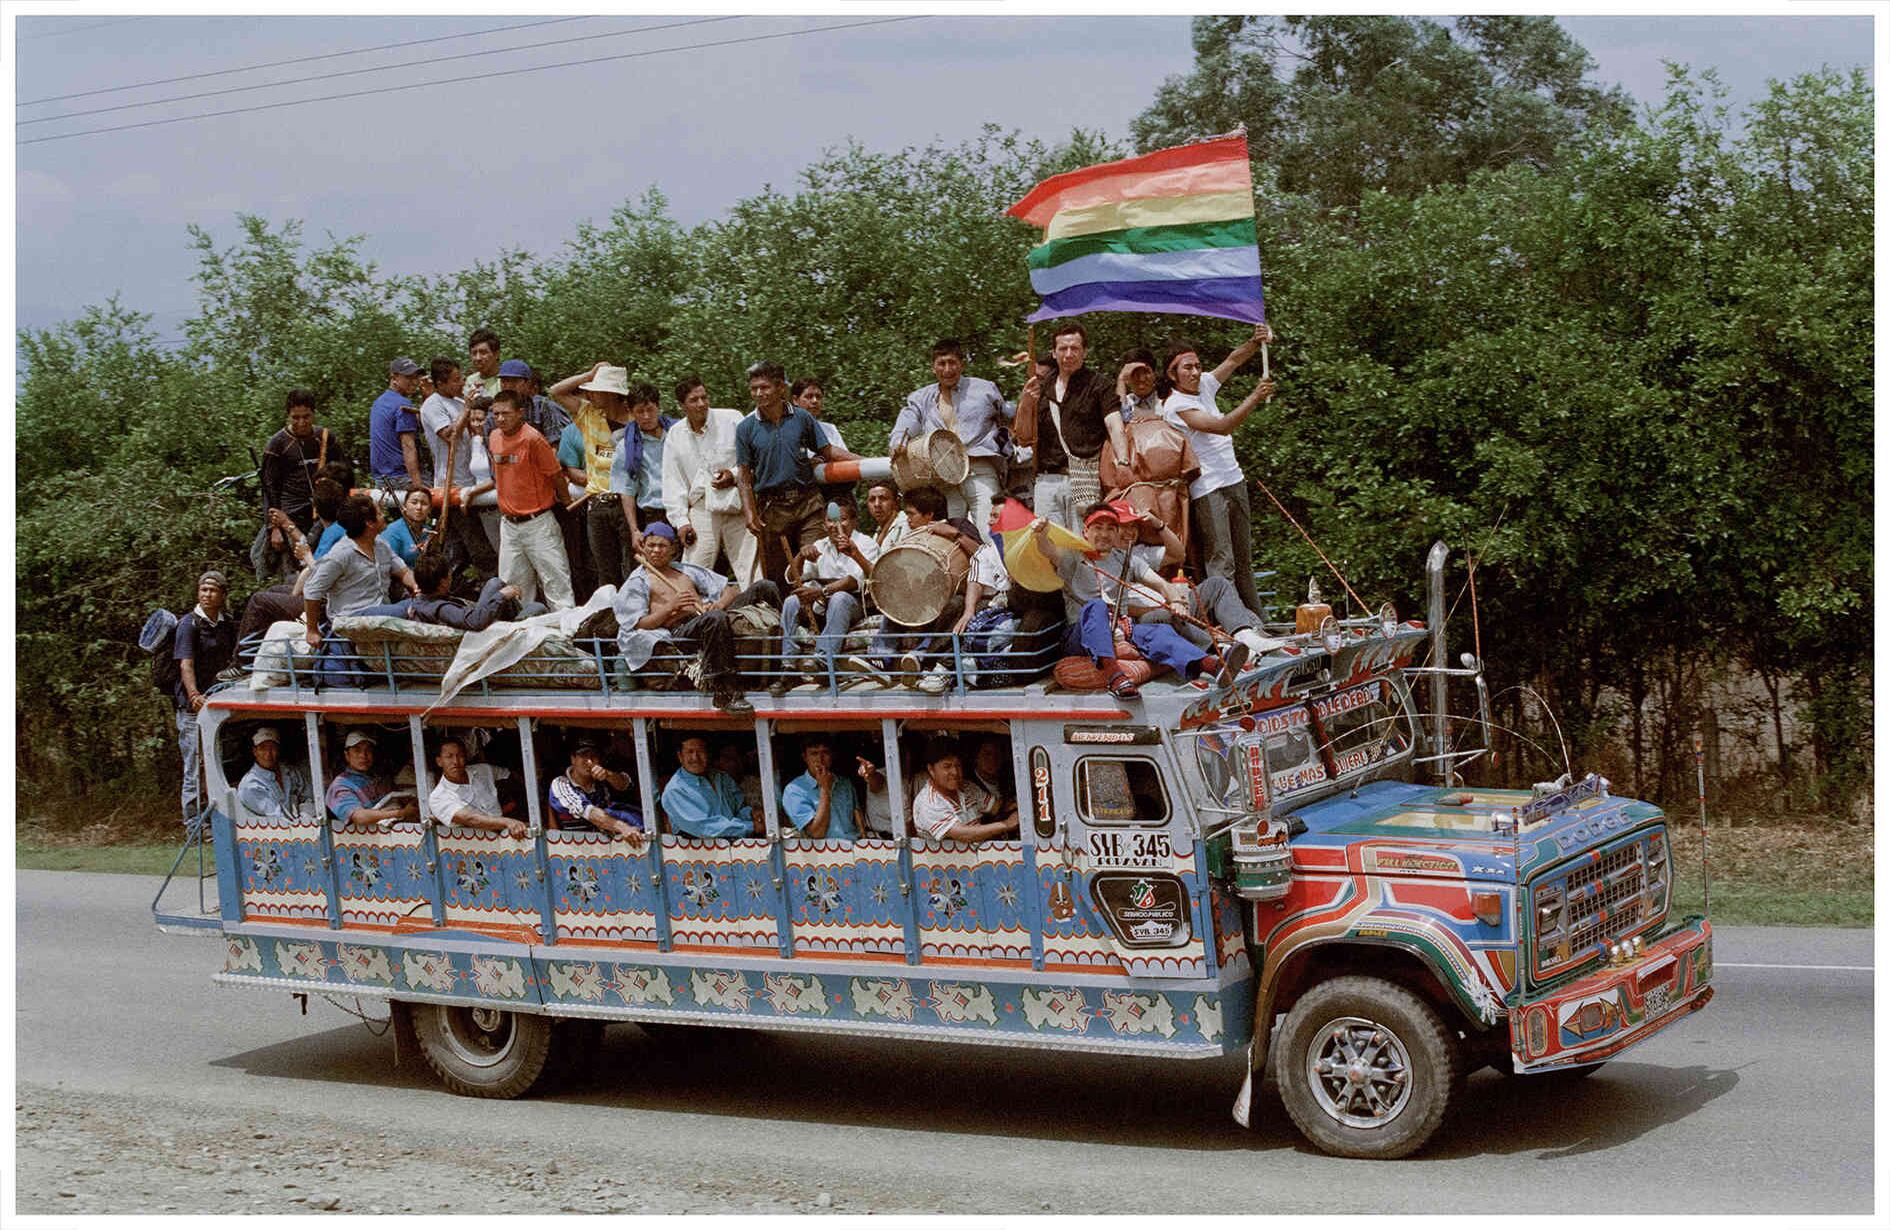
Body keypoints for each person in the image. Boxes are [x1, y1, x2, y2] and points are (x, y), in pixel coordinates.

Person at [1028, 501, 1236, 699]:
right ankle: (1115, 677)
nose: (1104, 534)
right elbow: (1048, 549)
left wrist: (1176, 601)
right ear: (1085, 531)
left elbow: (1162, 584)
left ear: (1116, 533)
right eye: (1098, 528)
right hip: (1081, 635)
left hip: (1122, 630)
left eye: (1111, 529)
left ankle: (1213, 666)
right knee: (1096, 606)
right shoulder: (1073, 558)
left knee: (1158, 631)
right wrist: (1041, 533)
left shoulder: (1126, 559)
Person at [1161, 324, 1277, 615]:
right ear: (1172, 374)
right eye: (1187, 368)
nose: (1195, 372)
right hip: (1209, 488)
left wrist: (1255, 341)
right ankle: (1230, 624)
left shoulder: (1205, 385)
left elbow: (1233, 360)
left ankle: (1257, 620)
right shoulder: (1175, 405)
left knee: (1243, 560)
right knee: (1222, 561)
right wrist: (1255, 397)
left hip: (1234, 480)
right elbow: (1222, 427)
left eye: (1198, 366)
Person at [612, 523, 778, 715]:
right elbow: (639, 624)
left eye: (662, 546)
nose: (656, 551)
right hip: (680, 632)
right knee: (714, 619)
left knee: (765, 587)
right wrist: (670, 607)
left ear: (673, 548)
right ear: (644, 548)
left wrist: (718, 604)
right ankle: (725, 692)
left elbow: (730, 591)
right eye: (651, 546)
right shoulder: (639, 581)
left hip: (708, 618)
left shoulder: (685, 571)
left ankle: (788, 662)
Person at [858, 486, 984, 694]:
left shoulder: (958, 524)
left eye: (911, 514)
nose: (907, 519)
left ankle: (920, 655)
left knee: (953, 605)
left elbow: (983, 554)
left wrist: (955, 534)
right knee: (897, 596)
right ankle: (881, 657)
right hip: (922, 591)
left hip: (955, 592)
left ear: (929, 515)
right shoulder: (911, 534)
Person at [890, 338, 1014, 534]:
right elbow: (908, 421)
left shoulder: (985, 389)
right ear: (933, 367)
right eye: (941, 363)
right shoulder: (920, 397)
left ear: (962, 364)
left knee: (991, 531)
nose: (947, 369)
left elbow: (1008, 420)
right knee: (947, 535)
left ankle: (996, 555)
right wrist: (899, 441)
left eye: (952, 363)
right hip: (944, 478)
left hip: (979, 470)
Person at [736, 360, 841, 587]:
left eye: (764, 387)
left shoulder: (802, 418)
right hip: (772, 510)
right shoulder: (745, 428)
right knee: (779, 577)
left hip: (808, 504)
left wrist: (865, 462)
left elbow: (828, 450)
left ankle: (821, 606)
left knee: (815, 563)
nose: (759, 393)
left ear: (781, 388)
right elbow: (743, 475)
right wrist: (750, 513)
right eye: (754, 389)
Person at [1012, 323, 1119, 531]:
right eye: (1063, 348)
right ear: (1054, 353)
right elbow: (1024, 438)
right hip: (1046, 480)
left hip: (1084, 479)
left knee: (1083, 542)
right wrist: (1026, 403)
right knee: (1048, 543)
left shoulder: (1100, 385)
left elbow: (1114, 425)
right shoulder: (1040, 387)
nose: (1069, 354)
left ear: (1084, 352)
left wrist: (1122, 460)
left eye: (1075, 348)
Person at [549, 362, 642, 592]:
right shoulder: (589, 413)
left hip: (629, 503)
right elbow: (556, 391)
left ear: (611, 394)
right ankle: (608, 610)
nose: (590, 394)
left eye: (596, 390)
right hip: (597, 504)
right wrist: (588, 374)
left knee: (633, 567)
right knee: (605, 570)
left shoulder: (636, 420)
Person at [774, 498, 877, 693]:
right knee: (792, 601)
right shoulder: (820, 545)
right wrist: (801, 556)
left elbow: (854, 581)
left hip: (854, 602)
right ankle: (788, 667)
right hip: (823, 603)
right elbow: (792, 578)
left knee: (840, 598)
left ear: (854, 522)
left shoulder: (865, 543)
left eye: (842, 519)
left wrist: (821, 592)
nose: (836, 525)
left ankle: (823, 660)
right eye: (830, 521)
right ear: (824, 524)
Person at [661, 376, 756, 586]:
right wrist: (681, 522)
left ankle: (759, 605)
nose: (701, 404)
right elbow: (672, 481)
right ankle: (691, 607)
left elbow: (754, 458)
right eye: (694, 400)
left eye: (704, 397)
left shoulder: (732, 419)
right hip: (702, 507)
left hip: (736, 501)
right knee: (693, 571)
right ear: (682, 405)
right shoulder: (676, 435)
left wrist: (733, 474)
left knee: (749, 567)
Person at [486, 389, 575, 609]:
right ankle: (519, 626)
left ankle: (566, 626)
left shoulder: (533, 439)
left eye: (506, 413)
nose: (500, 419)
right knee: (512, 587)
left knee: (556, 583)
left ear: (520, 413)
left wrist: (566, 502)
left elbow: (555, 474)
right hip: (509, 524)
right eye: (496, 414)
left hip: (538, 523)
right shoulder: (494, 437)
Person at [303, 494, 421, 652]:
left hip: (379, 613)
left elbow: (403, 571)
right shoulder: (341, 554)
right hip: (352, 618)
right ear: (369, 523)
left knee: (422, 602)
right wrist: (312, 630)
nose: (383, 516)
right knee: (409, 609)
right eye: (379, 513)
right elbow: (312, 590)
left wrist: (416, 586)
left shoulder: (381, 544)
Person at [417, 357, 497, 578]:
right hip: (451, 486)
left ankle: (458, 584)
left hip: (472, 483)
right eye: (456, 380)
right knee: (476, 546)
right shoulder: (432, 405)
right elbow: (450, 436)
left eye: (461, 378)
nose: (461, 383)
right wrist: (467, 410)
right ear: (440, 383)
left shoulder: (459, 402)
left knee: (463, 547)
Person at [174, 569, 238, 828]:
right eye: (203, 590)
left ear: (223, 595)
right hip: (192, 707)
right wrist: (193, 694)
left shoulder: (226, 624)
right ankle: (194, 823)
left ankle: (219, 820)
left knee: (218, 763)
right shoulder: (188, 625)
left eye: (213, 590)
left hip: (218, 704)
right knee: (194, 765)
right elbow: (185, 664)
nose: (207, 595)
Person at [258, 389, 334, 575]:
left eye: (306, 417)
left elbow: (342, 474)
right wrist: (274, 528)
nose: (301, 422)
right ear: (288, 416)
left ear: (314, 413)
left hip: (322, 517)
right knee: (293, 573)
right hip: (290, 518)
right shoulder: (277, 444)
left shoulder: (325, 438)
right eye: (295, 417)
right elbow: (269, 490)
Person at [910, 740, 1019, 844]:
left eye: (958, 765)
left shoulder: (967, 787)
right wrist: (1006, 824)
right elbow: (965, 835)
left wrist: (1017, 807)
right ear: (931, 770)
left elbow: (996, 807)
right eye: (947, 766)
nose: (955, 772)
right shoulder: (928, 803)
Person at [608, 382, 675, 544]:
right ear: (631, 412)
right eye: (640, 411)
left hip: (686, 509)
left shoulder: (677, 434)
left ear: (658, 407)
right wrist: (635, 530)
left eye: (650, 410)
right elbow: (627, 490)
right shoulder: (626, 446)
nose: (646, 416)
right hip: (654, 513)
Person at [660, 736, 761, 838]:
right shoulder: (676, 790)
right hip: (701, 848)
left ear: (708, 753)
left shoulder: (722, 778)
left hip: (735, 845)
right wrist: (751, 827)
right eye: (690, 752)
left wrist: (752, 814)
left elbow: (738, 809)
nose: (695, 758)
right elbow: (704, 828)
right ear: (680, 756)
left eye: (700, 751)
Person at [428, 735, 526, 837]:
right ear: (439, 761)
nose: (456, 762)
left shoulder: (483, 770)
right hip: (474, 843)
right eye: (449, 756)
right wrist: (507, 822)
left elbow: (512, 777)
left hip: (508, 836)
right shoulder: (438, 797)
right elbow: (470, 819)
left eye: (460, 756)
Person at [546, 741, 644, 842]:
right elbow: (588, 812)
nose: (589, 761)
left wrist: (608, 775)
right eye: (583, 755)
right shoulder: (561, 783)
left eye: (594, 756)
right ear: (573, 759)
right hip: (574, 846)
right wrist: (624, 828)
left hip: (608, 846)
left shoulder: (601, 780)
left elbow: (625, 784)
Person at [325, 730, 419, 829]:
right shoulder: (340, 785)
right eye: (357, 750)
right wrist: (400, 813)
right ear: (347, 755)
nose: (363, 755)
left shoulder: (378, 777)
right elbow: (359, 817)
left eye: (368, 750)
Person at [780, 736, 861, 840]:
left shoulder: (845, 784)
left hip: (854, 846)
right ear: (805, 757)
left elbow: (858, 821)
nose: (820, 759)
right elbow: (817, 833)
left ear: (832, 755)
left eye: (825, 752)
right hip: (823, 849)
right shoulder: (794, 790)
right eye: (814, 753)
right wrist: (825, 789)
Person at [368, 357, 426, 492]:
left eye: (416, 377)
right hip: (402, 477)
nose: (414, 382)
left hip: (381, 479)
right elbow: (408, 446)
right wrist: (418, 487)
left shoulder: (378, 402)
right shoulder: (403, 405)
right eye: (408, 377)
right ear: (394, 378)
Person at [235, 726, 314, 822]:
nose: (268, 754)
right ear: (255, 752)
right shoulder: (250, 785)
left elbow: (308, 798)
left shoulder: (290, 772)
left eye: (272, 748)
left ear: (278, 750)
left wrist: (305, 819)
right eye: (262, 748)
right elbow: (277, 817)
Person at [378, 488, 434, 569]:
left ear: (430, 509)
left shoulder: (429, 532)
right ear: (404, 506)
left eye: (424, 504)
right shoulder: (393, 531)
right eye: (414, 502)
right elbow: (387, 566)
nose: (419, 507)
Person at [863, 480, 908, 555]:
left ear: (896, 502)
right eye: (872, 500)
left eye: (883, 498)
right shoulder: (879, 531)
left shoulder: (906, 523)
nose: (877, 504)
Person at [463, 328, 505, 406]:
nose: (478, 358)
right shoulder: (470, 381)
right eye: (474, 353)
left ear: (496, 354)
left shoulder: (506, 380)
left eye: (483, 352)